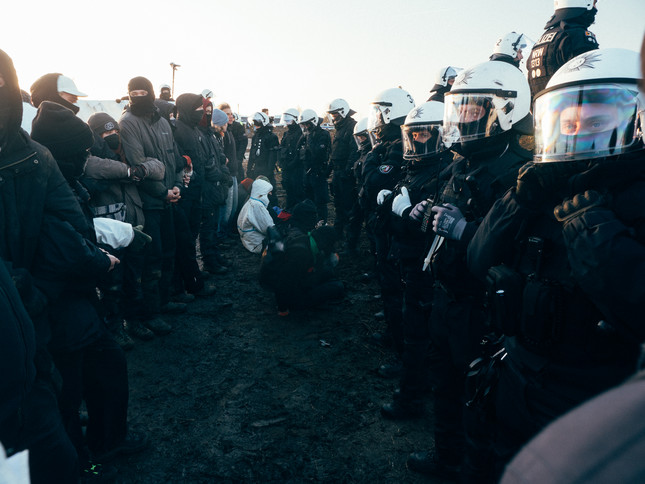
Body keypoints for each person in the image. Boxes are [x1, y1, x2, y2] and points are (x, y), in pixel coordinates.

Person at [467, 47, 645, 483]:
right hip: (516, 374)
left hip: (590, 399)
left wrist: (593, 230)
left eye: (597, 122)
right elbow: (477, 260)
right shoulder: (543, 188)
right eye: (568, 123)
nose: (579, 133)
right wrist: (516, 201)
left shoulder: (634, 203)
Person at [405, 59, 533, 481]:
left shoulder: (517, 170)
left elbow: (518, 249)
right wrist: (427, 214)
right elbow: (447, 212)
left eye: (472, 110)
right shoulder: (462, 163)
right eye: (457, 109)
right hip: (447, 295)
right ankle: (446, 458)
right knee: (444, 385)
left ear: (506, 110)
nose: (460, 119)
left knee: (479, 400)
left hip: (481, 310)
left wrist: (466, 230)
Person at [379, 101, 454, 422]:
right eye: (415, 135)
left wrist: (403, 213)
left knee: (419, 335)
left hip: (426, 268)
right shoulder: (419, 168)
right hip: (410, 261)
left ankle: (411, 398)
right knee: (417, 334)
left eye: (426, 134)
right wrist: (393, 207)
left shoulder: (446, 170)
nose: (419, 141)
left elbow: (427, 225)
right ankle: (415, 390)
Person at [119, 76, 186, 335]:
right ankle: (151, 312)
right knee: (152, 257)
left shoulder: (162, 122)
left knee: (169, 250)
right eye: (132, 92)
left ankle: (164, 300)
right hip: (148, 202)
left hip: (170, 196)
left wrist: (178, 184)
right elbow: (139, 166)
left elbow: (174, 157)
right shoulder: (128, 123)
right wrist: (163, 193)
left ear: (150, 92)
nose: (138, 96)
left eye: (142, 91)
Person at [363, 87, 415, 379]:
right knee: (389, 286)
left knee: (397, 291)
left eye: (380, 111)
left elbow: (373, 180)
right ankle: (393, 336)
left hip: (394, 228)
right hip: (385, 224)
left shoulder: (397, 146)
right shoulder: (390, 143)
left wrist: (370, 159)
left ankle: (402, 354)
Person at [527, 0, 599, 99]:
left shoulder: (540, 41)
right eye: (593, 3)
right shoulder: (578, 36)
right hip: (571, 109)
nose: (595, 9)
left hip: (543, 111)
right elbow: (591, 82)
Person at [326, 98, 358, 248]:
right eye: (332, 115)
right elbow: (335, 153)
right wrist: (329, 170)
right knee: (338, 204)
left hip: (346, 174)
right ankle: (338, 233)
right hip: (338, 173)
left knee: (348, 206)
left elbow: (354, 151)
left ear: (343, 112)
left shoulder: (352, 126)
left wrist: (347, 172)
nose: (333, 117)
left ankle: (350, 239)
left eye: (335, 114)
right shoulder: (339, 128)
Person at [297, 109, 332, 223]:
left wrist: (309, 138)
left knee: (320, 202)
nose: (306, 127)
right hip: (308, 172)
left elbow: (318, 153)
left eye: (307, 124)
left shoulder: (323, 134)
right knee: (309, 200)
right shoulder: (307, 135)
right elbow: (299, 150)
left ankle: (322, 223)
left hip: (318, 172)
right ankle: (311, 222)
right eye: (304, 125)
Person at [247, 111, 280, 205]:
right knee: (257, 194)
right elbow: (252, 154)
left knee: (270, 194)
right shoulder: (255, 136)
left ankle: (273, 212)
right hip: (256, 170)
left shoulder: (271, 137)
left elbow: (272, 157)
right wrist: (249, 169)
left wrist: (268, 172)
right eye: (254, 123)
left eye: (258, 123)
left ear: (264, 122)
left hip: (267, 172)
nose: (256, 126)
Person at [237, 178, 275, 254]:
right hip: (256, 243)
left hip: (248, 240)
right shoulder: (257, 206)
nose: (270, 194)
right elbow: (268, 228)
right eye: (268, 191)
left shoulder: (251, 201)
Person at [278, 108, 304, 209]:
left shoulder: (301, 134)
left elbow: (299, 153)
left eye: (289, 121)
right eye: (286, 121)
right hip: (287, 168)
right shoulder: (286, 134)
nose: (288, 123)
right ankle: (289, 211)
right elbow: (281, 149)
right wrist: (281, 163)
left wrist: (291, 164)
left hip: (296, 169)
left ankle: (297, 212)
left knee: (297, 191)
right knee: (288, 190)